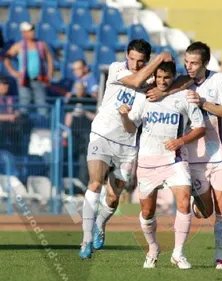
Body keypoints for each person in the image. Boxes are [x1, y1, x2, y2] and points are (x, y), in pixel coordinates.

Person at [79, 39, 174, 259]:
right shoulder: (117, 69)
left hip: (128, 144)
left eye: (141, 61)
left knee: (113, 198)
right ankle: (85, 241)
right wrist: (161, 57)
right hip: (101, 135)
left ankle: (100, 225)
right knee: (94, 183)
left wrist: (164, 92)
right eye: (132, 58)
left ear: (146, 60)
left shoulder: (153, 82)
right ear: (126, 56)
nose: (135, 64)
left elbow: (178, 81)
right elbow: (137, 79)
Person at [120, 61, 205, 269]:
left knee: (184, 201)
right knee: (147, 212)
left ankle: (178, 253)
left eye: (166, 77)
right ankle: (152, 248)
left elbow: (200, 128)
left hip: (174, 159)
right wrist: (123, 115)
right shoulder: (145, 98)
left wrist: (181, 141)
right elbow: (131, 128)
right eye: (158, 77)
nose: (162, 81)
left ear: (173, 76)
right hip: (148, 162)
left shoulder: (184, 97)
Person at [182, 41, 222, 270]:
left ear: (205, 63)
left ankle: (220, 257)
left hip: (220, 155)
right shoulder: (181, 83)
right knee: (206, 213)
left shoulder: (219, 80)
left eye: (194, 63)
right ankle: (199, 204)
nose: (189, 67)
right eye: (186, 62)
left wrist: (203, 102)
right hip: (194, 157)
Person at [3, 22, 53, 118]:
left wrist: (49, 75)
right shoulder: (19, 46)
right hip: (24, 81)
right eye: (29, 31)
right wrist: (14, 72)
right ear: (23, 33)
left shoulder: (41, 45)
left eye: (32, 30)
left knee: (42, 103)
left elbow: (49, 60)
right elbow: (7, 58)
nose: (32, 33)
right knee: (24, 105)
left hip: (39, 79)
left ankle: (43, 127)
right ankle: (24, 128)